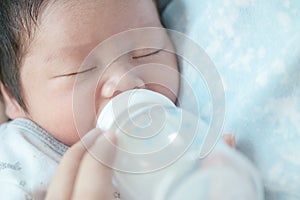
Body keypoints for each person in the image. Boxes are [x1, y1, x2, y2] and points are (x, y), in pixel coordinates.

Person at [0, 0, 256, 199]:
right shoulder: (18, 157)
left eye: (148, 51)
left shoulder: (183, 137)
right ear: (13, 98)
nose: (127, 81)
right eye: (78, 71)